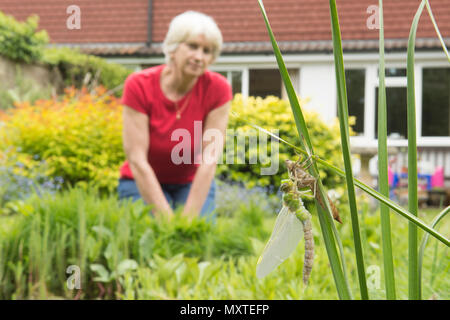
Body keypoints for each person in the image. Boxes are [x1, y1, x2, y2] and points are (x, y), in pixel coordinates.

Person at [117, 11, 232, 221]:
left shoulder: (218, 89)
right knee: (150, 239)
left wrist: (187, 221)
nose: (199, 57)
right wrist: (167, 221)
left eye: (207, 51)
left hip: (189, 182)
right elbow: (136, 158)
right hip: (138, 181)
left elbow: (209, 159)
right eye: (192, 46)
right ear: (173, 47)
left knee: (197, 239)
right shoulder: (139, 85)